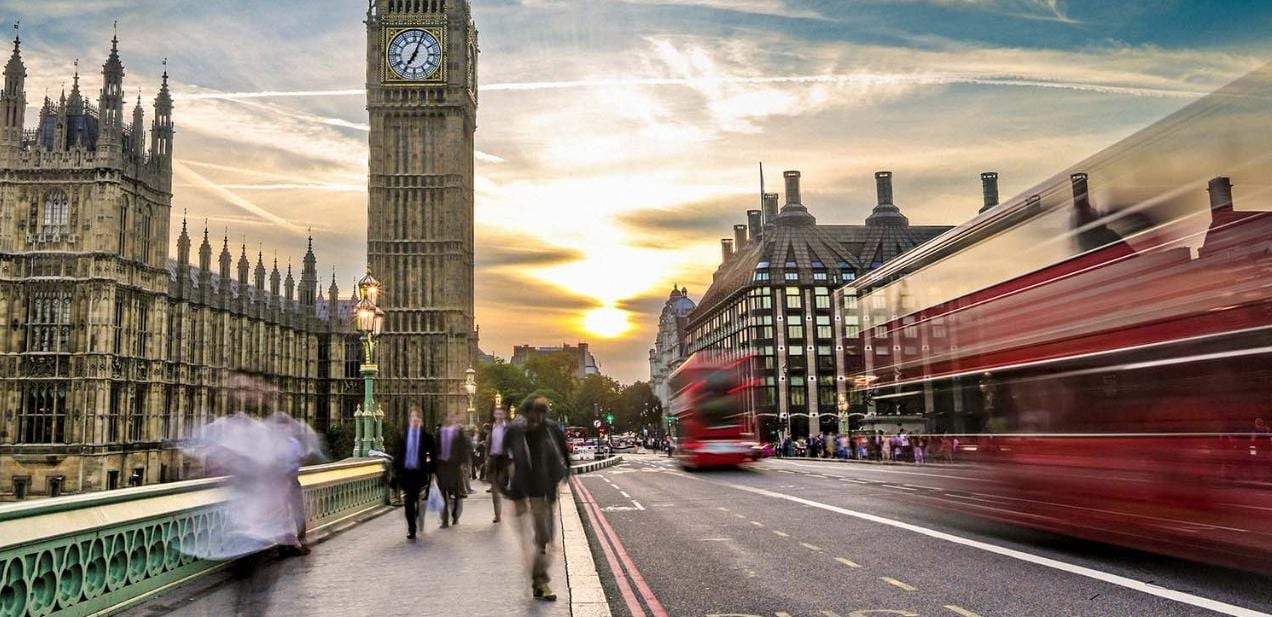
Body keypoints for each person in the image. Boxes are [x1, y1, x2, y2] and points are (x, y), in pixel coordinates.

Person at [505, 395, 570, 601]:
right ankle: (540, 581)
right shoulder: (515, 430)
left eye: (543, 414)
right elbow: (499, 457)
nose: (538, 419)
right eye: (535, 414)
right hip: (523, 493)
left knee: (545, 538)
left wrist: (563, 473)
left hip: (544, 490)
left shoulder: (550, 429)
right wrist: (506, 487)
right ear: (528, 412)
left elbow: (563, 453)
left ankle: (538, 578)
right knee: (532, 540)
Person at [392, 405, 436, 540]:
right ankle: (412, 528)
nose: (415, 419)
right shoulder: (404, 436)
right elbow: (399, 455)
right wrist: (395, 471)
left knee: (415, 500)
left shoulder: (427, 438)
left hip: (420, 473)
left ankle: (416, 516)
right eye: (413, 417)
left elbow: (433, 456)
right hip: (406, 473)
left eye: (417, 417)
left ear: (421, 420)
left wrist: (432, 473)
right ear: (409, 419)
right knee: (409, 502)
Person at [435, 411, 471, 527]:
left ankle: (455, 514)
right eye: (448, 417)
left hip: (454, 466)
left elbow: (463, 449)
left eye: (453, 417)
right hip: (442, 465)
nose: (450, 419)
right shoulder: (440, 432)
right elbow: (435, 448)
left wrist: (463, 464)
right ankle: (444, 519)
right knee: (443, 492)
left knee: (455, 492)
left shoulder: (459, 433)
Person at [486, 408, 511, 523]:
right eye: (496, 413)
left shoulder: (508, 428)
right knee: (495, 489)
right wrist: (487, 457)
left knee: (503, 487)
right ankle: (498, 515)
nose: (498, 415)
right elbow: (488, 443)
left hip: (504, 460)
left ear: (504, 415)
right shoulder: (492, 428)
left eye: (501, 413)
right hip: (493, 459)